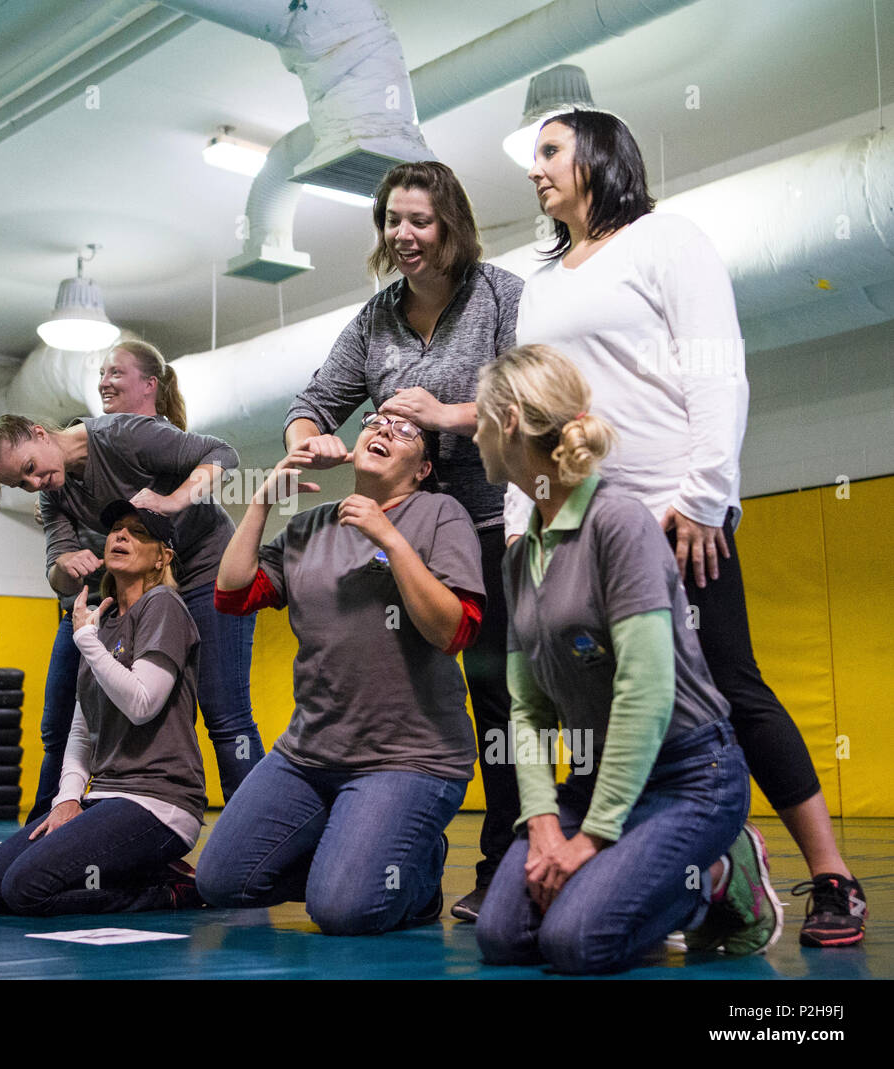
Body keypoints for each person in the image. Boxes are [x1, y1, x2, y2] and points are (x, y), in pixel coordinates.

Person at [509, 107, 865, 948]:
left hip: (672, 513)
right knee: (602, 708)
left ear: (599, 156)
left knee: (731, 689)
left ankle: (833, 874)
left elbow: (715, 363)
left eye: (551, 151)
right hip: (575, 529)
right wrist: (526, 520)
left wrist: (707, 494)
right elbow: (529, 412)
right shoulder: (541, 286)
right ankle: (701, 859)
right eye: (534, 157)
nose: (536, 169)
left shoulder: (669, 242)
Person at [472, 345, 778, 974]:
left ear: (506, 425)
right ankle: (635, 876)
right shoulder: (518, 554)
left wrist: (593, 837)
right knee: (504, 937)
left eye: (478, 420)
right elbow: (526, 710)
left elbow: (646, 690)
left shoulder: (619, 524)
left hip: (689, 776)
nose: (472, 434)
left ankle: (720, 877)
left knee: (576, 942)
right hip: (590, 781)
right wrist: (543, 824)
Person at [284, 160, 523, 922]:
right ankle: (397, 844)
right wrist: (308, 441)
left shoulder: (501, 297)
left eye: (420, 220)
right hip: (401, 529)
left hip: (487, 524)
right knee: (406, 690)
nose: (405, 235)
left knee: (499, 699)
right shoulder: (377, 316)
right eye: (393, 220)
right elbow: (316, 399)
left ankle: (504, 864)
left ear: (450, 223)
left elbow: (534, 394)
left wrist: (450, 415)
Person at [197, 410, 484, 935]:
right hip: (309, 756)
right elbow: (233, 594)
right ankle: (359, 851)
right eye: (375, 422)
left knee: (343, 911)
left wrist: (390, 538)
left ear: (422, 469)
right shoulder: (309, 526)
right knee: (221, 884)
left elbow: (454, 632)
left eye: (405, 431)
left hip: (410, 758)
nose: (383, 431)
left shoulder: (441, 513)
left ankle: (416, 871)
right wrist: (262, 500)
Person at [0, 410, 264, 801]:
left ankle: (255, 835)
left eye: (31, 468)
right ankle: (60, 827)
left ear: (40, 432)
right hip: (150, 585)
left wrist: (173, 501)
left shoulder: (122, 436)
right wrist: (64, 567)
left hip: (208, 568)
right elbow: (57, 573)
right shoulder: (54, 494)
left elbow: (222, 454)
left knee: (225, 712)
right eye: (22, 483)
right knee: (78, 720)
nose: (35, 483)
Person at [0, 502, 206, 915]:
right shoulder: (103, 620)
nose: (120, 536)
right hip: (104, 796)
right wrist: (67, 798)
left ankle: (169, 890)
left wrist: (87, 642)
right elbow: (83, 728)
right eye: (116, 528)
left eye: (137, 533)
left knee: (25, 889)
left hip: (159, 803)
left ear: (163, 556)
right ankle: (137, 869)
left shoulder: (164, 605)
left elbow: (142, 704)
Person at [29, 338, 189, 820]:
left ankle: (173, 817)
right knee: (61, 725)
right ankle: (48, 817)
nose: (103, 382)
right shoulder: (61, 478)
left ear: (149, 385)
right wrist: (65, 567)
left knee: (213, 714)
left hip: (157, 596)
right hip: (94, 606)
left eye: (115, 373)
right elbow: (57, 564)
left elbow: (215, 467)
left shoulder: (149, 448)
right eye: (101, 373)